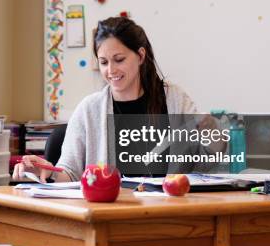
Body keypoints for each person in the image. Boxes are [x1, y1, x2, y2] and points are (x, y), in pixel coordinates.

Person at [13, 16, 226, 183]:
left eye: (119, 60)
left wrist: (212, 134)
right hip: (108, 214)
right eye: (104, 62)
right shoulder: (89, 109)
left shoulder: (175, 99)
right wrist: (45, 171)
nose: (111, 70)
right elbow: (69, 174)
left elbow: (206, 163)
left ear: (141, 56)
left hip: (166, 214)